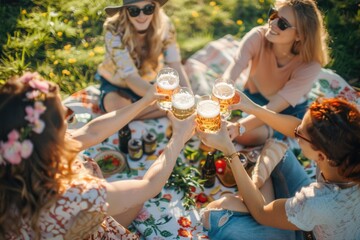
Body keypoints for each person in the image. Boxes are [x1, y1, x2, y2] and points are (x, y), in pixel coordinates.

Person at [0, 72, 196, 239]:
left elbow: (90, 133)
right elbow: (149, 186)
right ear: (49, 139)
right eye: (66, 116)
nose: (70, 116)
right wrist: (179, 137)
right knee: (136, 199)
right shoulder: (76, 194)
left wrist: (145, 101)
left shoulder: (19, 153)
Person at [197, 92, 360, 240]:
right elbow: (294, 127)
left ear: (321, 156)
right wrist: (254, 108)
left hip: (307, 236)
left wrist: (228, 149)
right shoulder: (346, 149)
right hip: (314, 215)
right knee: (277, 155)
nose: (295, 132)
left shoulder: (319, 202)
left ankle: (259, 201)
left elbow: (262, 214)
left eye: (299, 134)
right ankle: (258, 198)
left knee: (217, 217)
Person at [224, 0, 329, 146]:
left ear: (300, 35)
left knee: (244, 135)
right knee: (221, 125)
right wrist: (221, 95)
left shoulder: (310, 65)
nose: (272, 24)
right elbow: (232, 72)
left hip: (283, 112)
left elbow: (273, 108)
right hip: (253, 96)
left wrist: (238, 127)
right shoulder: (258, 36)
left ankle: (273, 132)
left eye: (283, 24)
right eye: (273, 15)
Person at [97, 0, 190, 118]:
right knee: (114, 106)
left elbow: (175, 63)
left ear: (155, 8)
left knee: (121, 115)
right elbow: (130, 77)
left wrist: (188, 97)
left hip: (151, 80)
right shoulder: (113, 30)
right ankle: (162, 109)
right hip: (118, 82)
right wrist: (165, 98)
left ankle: (131, 114)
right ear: (125, 11)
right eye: (134, 11)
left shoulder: (165, 24)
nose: (142, 16)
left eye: (148, 9)